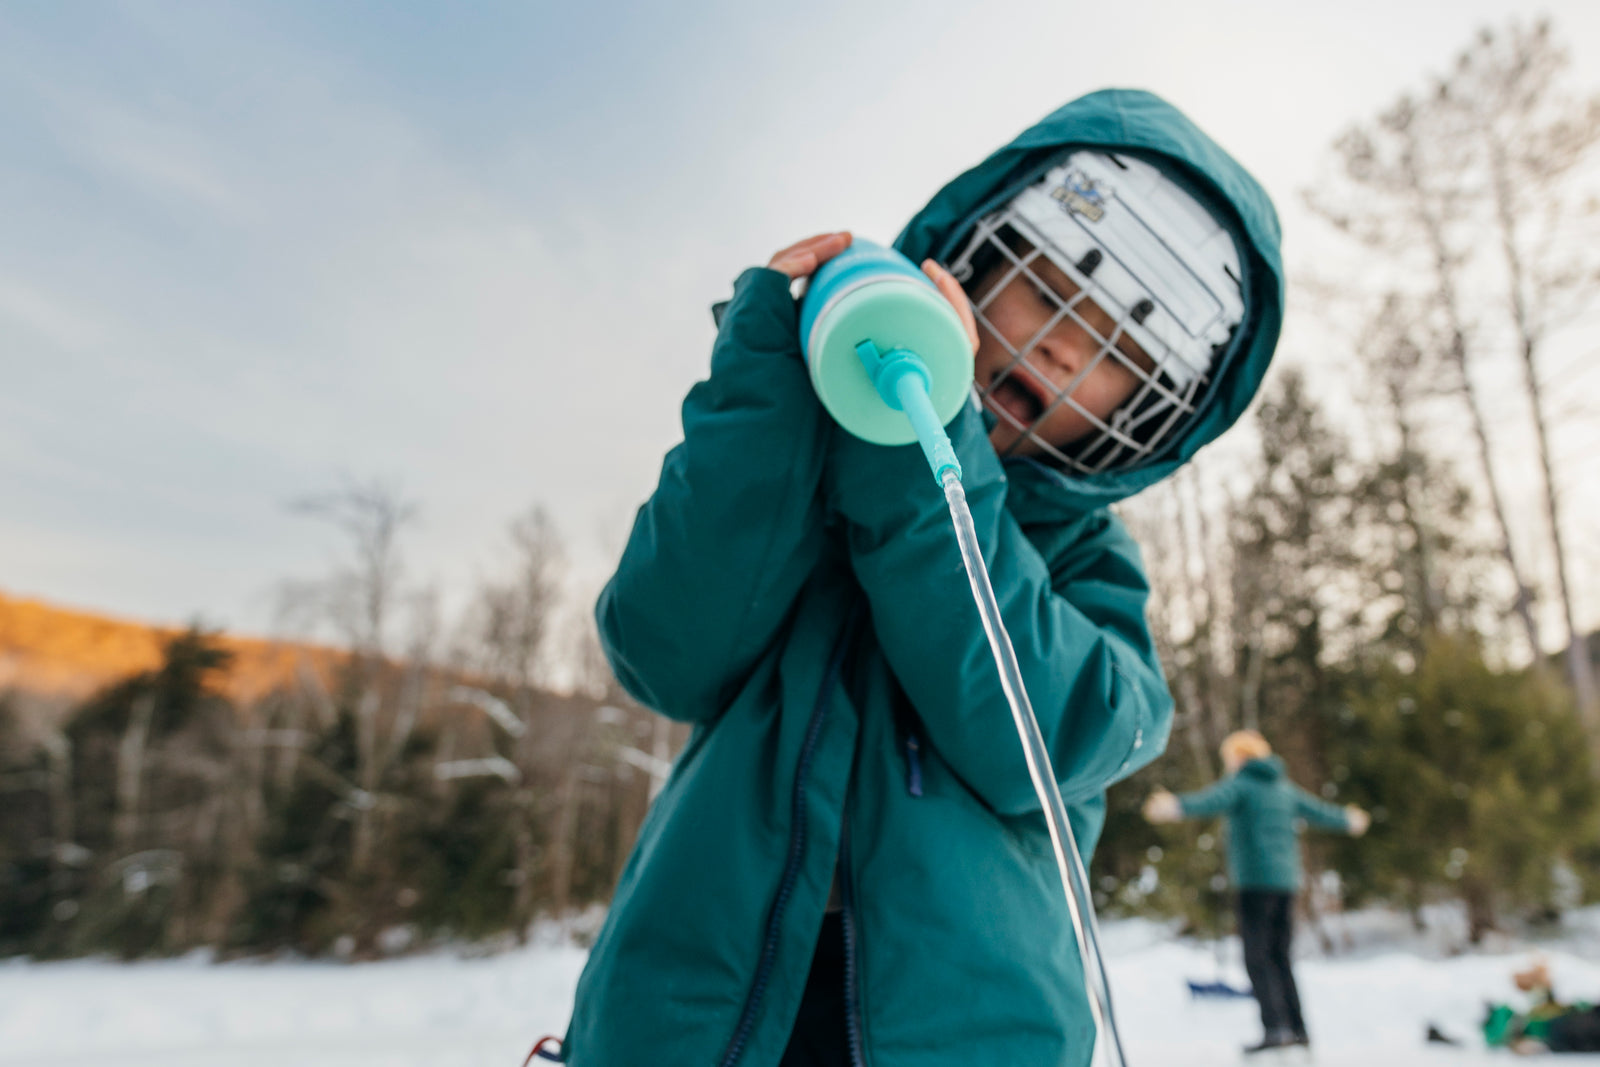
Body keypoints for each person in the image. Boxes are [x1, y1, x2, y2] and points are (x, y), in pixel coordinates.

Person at [557, 89, 1286, 1067]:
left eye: (1117, 348)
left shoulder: (1086, 556)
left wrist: (926, 462)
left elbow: (1053, 734)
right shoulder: (802, 472)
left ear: (1152, 409)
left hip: (971, 1032)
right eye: (1051, 291)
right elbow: (660, 649)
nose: (1066, 345)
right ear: (973, 268)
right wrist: (763, 400)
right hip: (692, 1014)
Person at [1143, 730, 1370, 1056]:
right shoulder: (1283, 788)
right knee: (1280, 957)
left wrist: (1173, 807)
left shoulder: (1243, 784)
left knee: (1257, 957)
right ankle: (1297, 1029)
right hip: (1286, 884)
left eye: (1230, 758)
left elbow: (1210, 801)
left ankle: (1275, 1029)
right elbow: (1320, 811)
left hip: (1254, 884)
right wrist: (1348, 820)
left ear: (1240, 757)